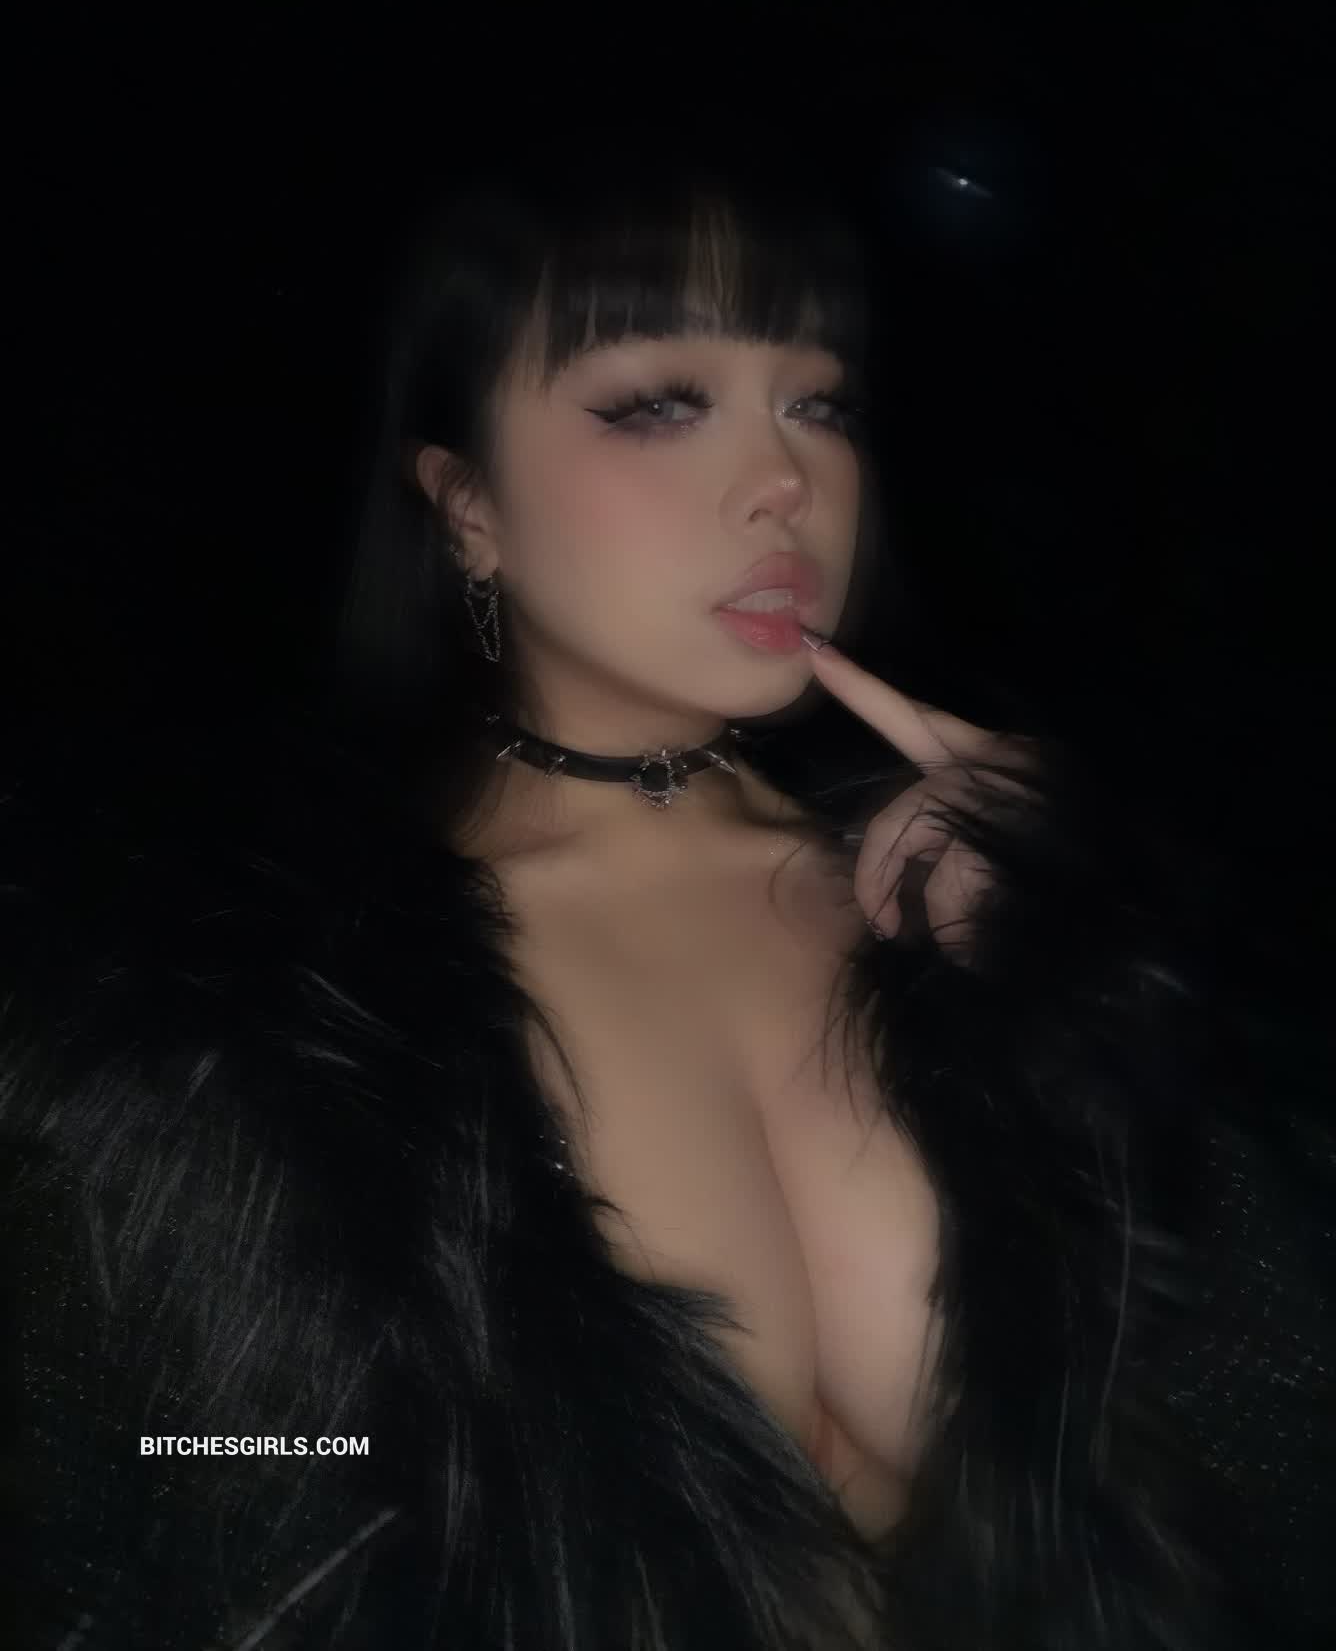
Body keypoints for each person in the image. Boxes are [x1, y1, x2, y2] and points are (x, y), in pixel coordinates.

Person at [2, 119, 1333, 1649]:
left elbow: (1270, 1461)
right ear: (467, 507)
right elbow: (165, 1504)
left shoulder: (948, 903)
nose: (784, 481)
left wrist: (1095, 977)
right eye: (657, 403)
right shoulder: (263, 1011)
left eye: (820, 402)